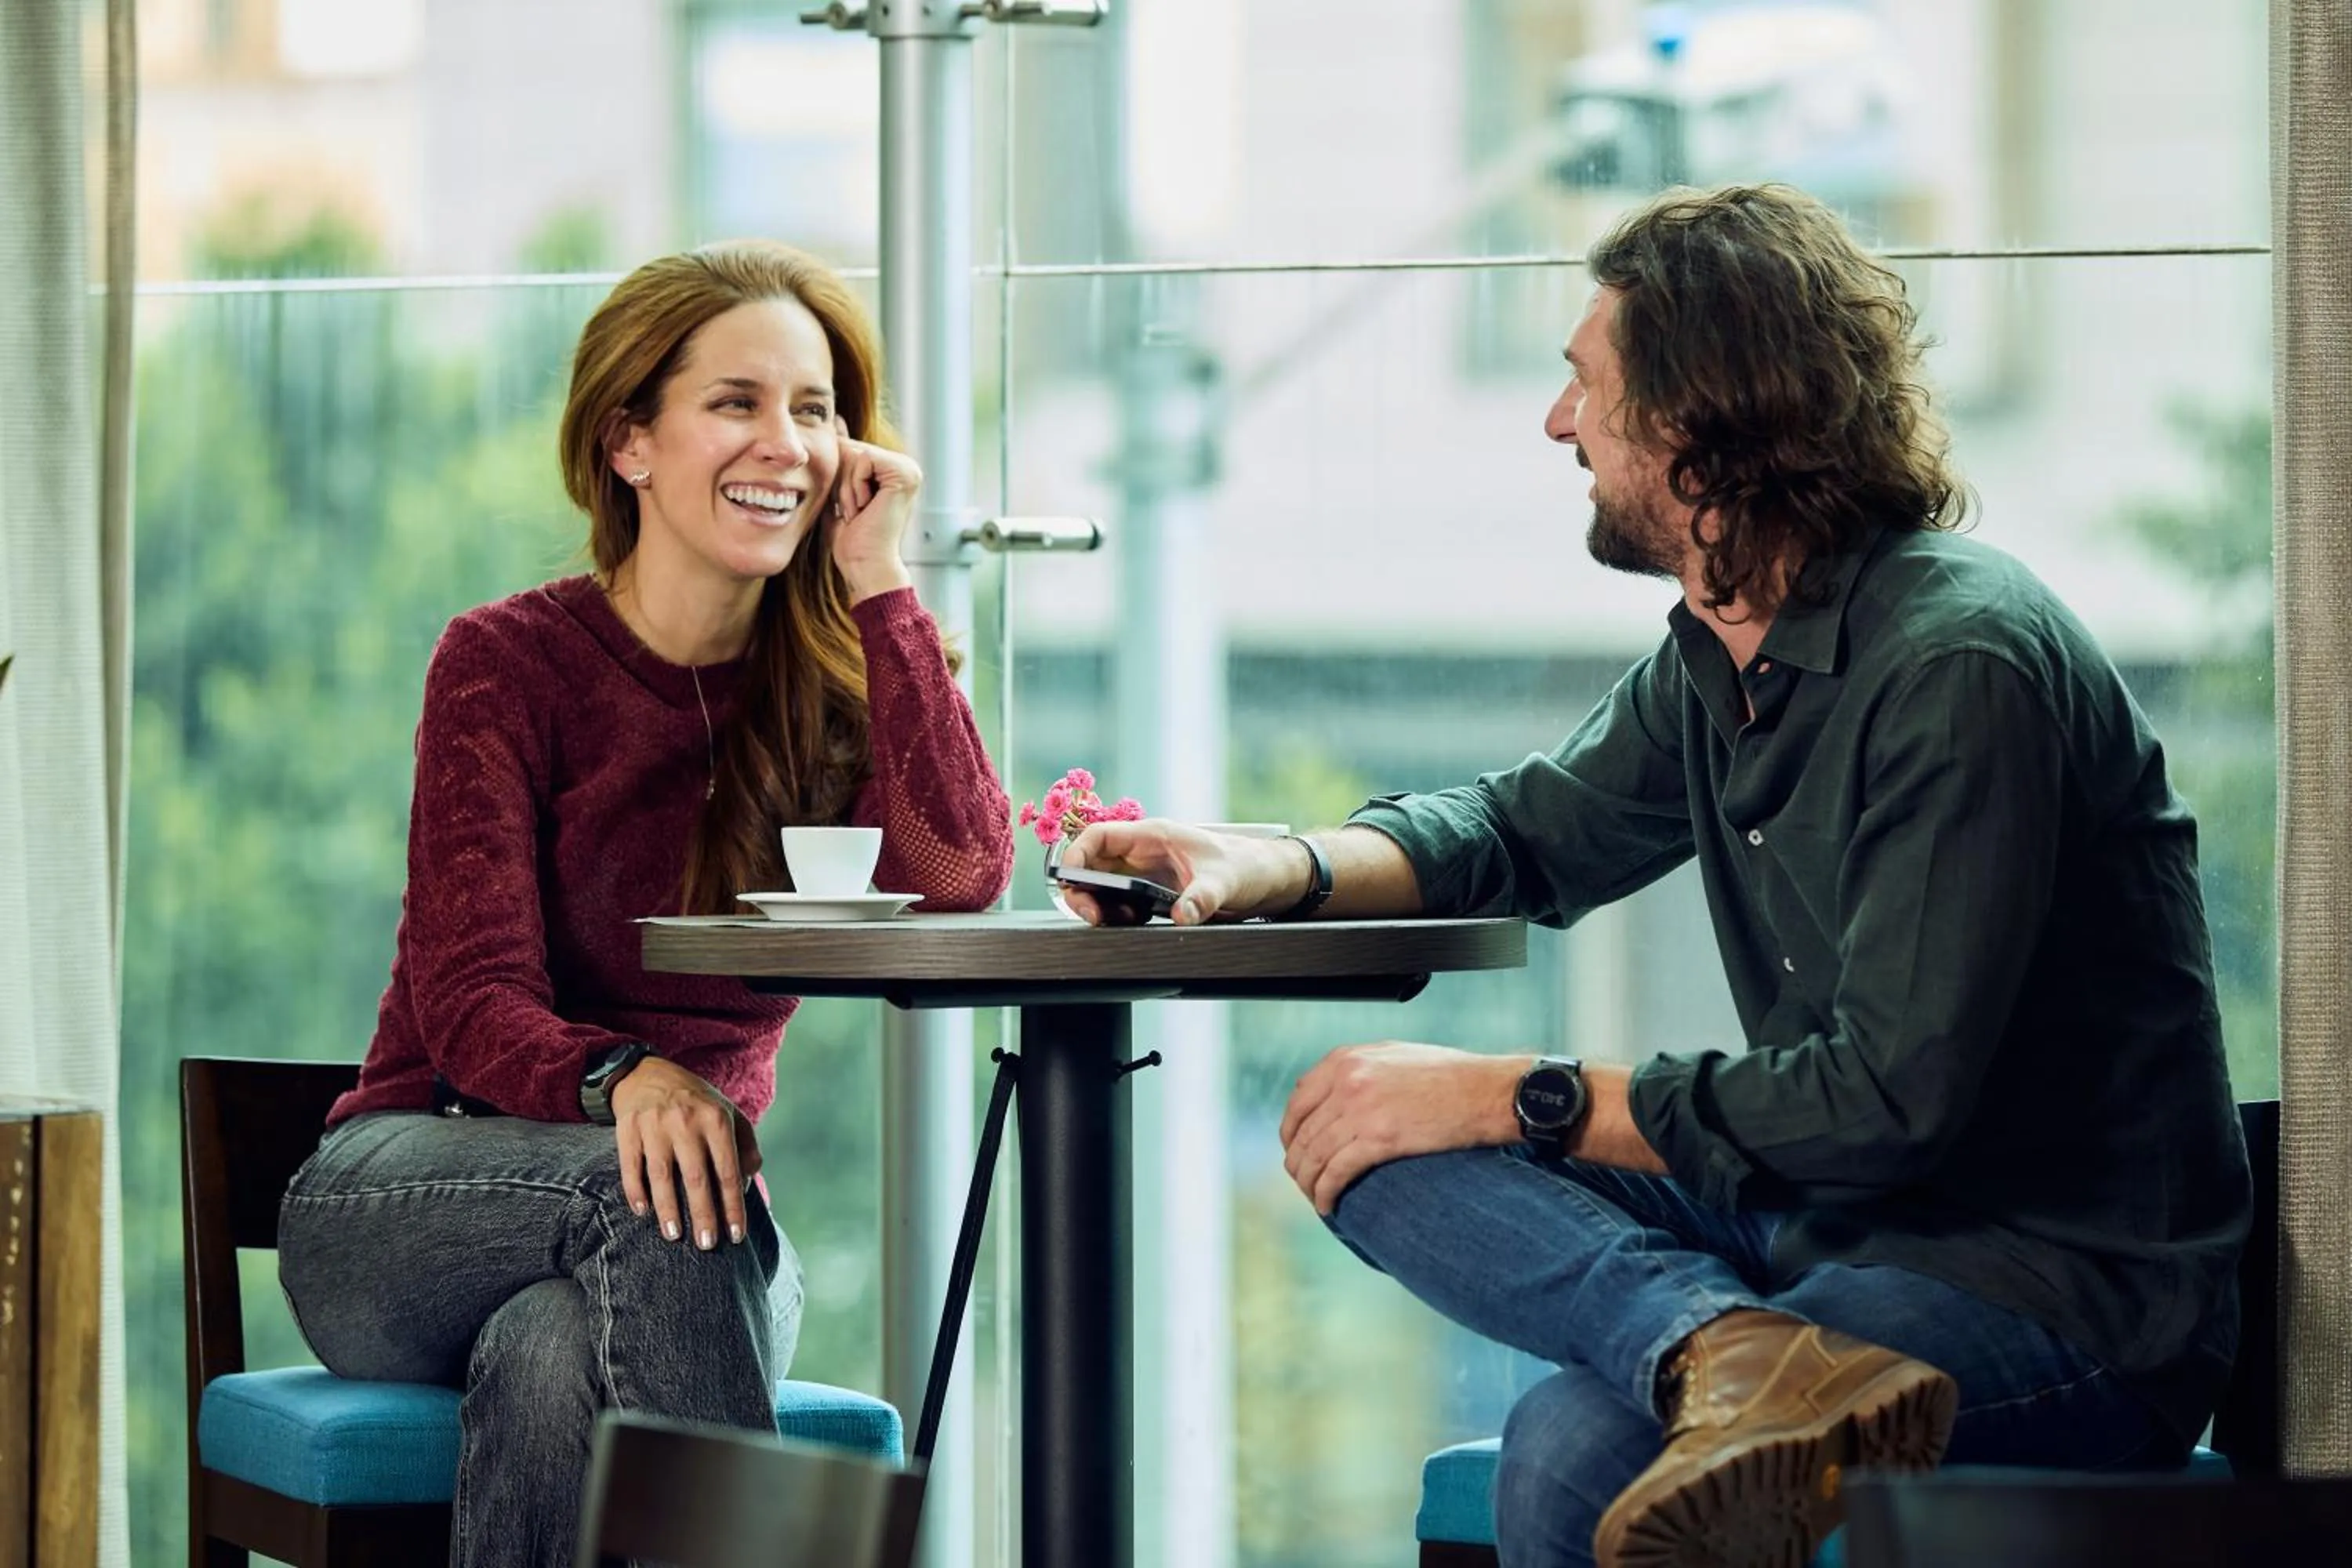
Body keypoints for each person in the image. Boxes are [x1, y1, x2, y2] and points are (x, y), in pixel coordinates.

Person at [1059, 184, 2249, 1568]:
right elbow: (1520, 833)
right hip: (1835, 1231)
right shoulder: (1721, 649)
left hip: (2056, 1297)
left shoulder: (1960, 666)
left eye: (1585, 383)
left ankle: (1725, 1356)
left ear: (1697, 417)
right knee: (1365, 1125)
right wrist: (1270, 860)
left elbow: (1885, 1107)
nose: (1556, 421)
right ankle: (1719, 1348)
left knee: (1578, 1443)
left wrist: (1520, 1090)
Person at [277, 239, 1014, 1568]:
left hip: (695, 1237)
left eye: (814, 409)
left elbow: (961, 874)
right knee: (647, 1188)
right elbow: (470, 999)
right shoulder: (506, 661)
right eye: (736, 402)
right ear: (630, 443)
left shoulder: (840, 684)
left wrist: (884, 586)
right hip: (413, 1193)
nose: (786, 443)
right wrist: (628, 1078)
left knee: (550, 1353)